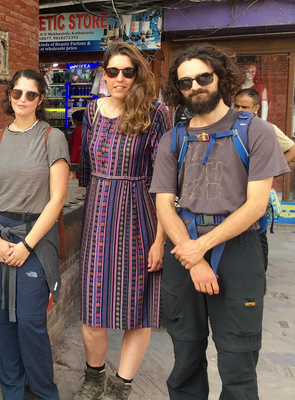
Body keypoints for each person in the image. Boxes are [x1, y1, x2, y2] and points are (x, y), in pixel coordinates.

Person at [151, 44, 289, 400]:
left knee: (238, 363)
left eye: (203, 77)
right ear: (177, 90)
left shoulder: (256, 131)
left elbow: (256, 205)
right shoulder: (173, 138)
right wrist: (192, 255)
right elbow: (165, 205)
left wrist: (200, 249)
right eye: (185, 82)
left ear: (220, 78)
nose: (195, 86)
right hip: (184, 248)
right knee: (185, 359)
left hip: (238, 248)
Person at [75, 43, 171, 400]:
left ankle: (121, 385)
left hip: (139, 213)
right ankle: (93, 376)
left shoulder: (156, 113)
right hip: (99, 214)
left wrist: (161, 240)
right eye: (112, 71)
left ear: (138, 74)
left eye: (127, 72)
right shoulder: (92, 111)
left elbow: (164, 182)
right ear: (103, 73)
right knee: (92, 308)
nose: (119, 78)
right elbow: (85, 170)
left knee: (138, 308)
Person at [0, 70, 70, 400]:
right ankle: (12, 391)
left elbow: (58, 199)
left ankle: (45, 392)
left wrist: (27, 245)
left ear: (40, 100)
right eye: (17, 93)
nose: (22, 99)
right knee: (3, 318)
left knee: (30, 322)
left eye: (30, 95)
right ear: (10, 96)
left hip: (35, 234)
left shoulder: (51, 137)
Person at [234, 87, 294, 272]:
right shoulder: (229, 126)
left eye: (244, 107)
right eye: (236, 106)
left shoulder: (267, 129)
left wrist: (269, 171)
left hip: (256, 192)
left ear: (256, 108)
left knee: (258, 233)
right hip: (234, 191)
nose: (239, 111)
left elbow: (292, 149)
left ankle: (260, 278)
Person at [68, 109, 84, 176]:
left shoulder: (78, 130)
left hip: (77, 161)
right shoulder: (87, 128)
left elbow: (76, 147)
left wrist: (72, 163)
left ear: (76, 120)